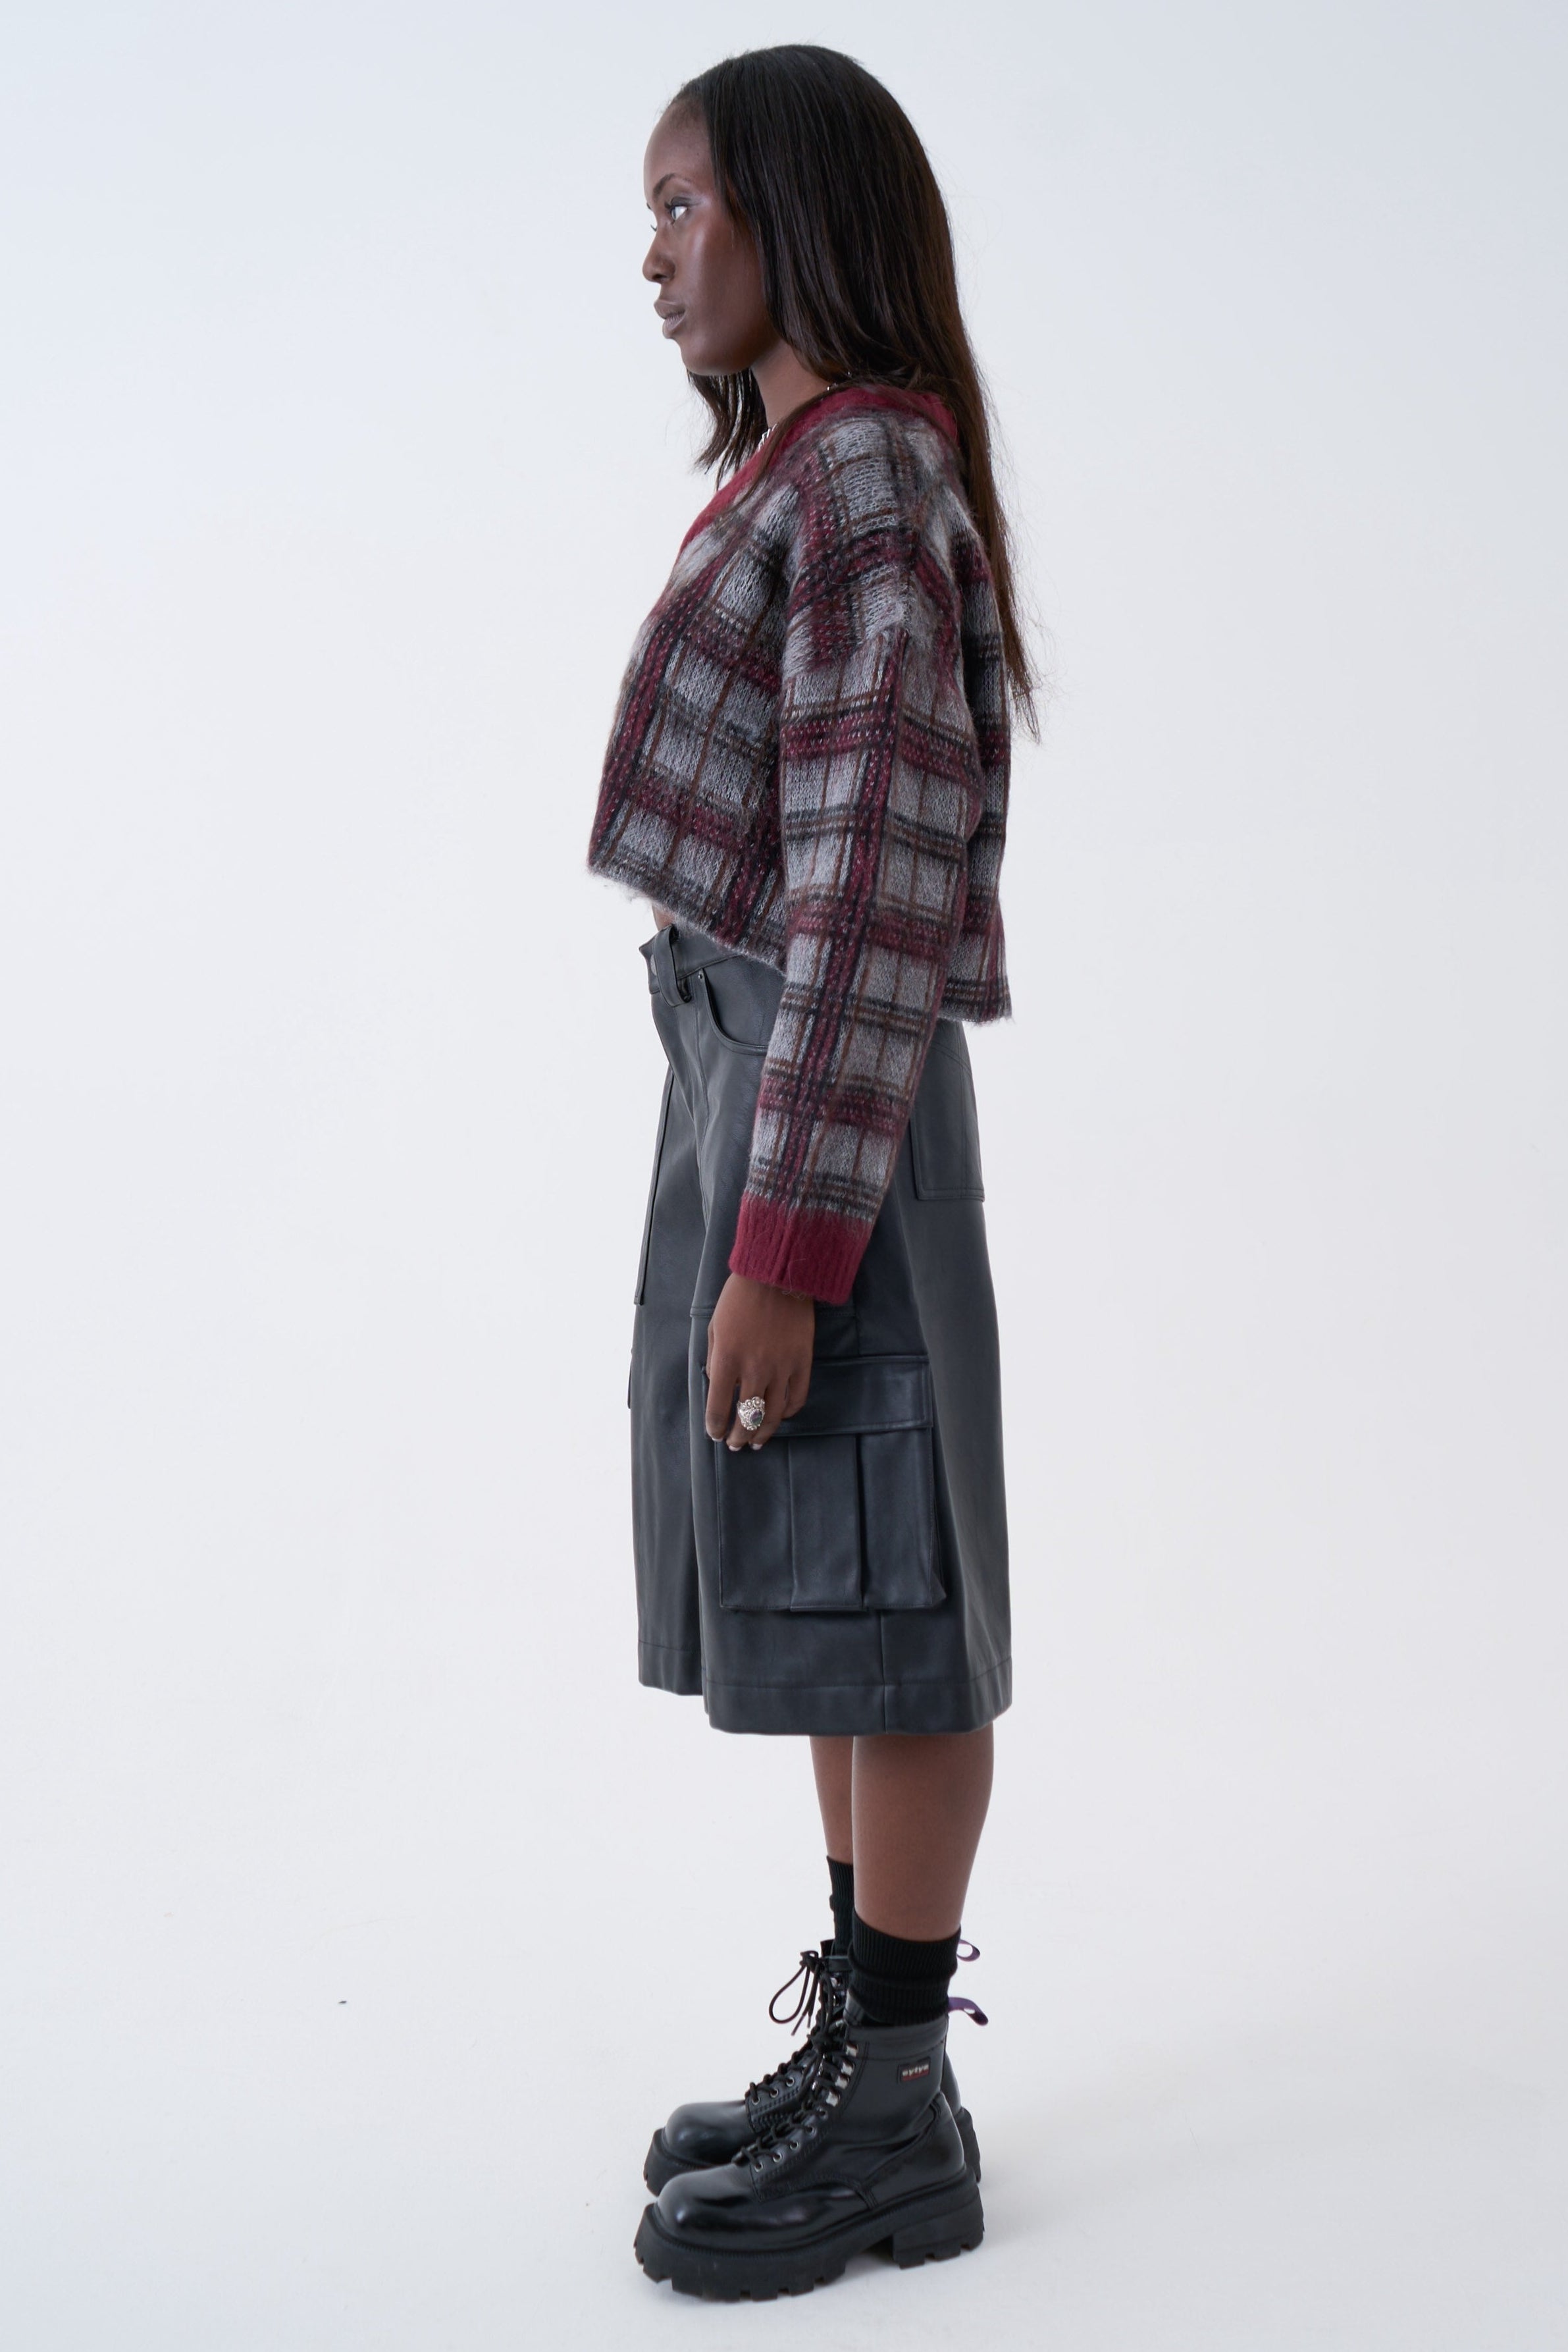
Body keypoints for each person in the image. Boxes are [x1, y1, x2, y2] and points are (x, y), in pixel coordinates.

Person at [587, 42, 1033, 2302]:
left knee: (897, 1583)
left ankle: (896, 2106)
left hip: (820, 1079)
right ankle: (876, 2050)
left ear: (798, 208)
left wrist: (787, 1237)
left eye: (685, 205)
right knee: (840, 1584)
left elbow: (869, 885)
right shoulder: (811, 464)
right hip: (757, 1069)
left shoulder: (862, 473)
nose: (655, 256)